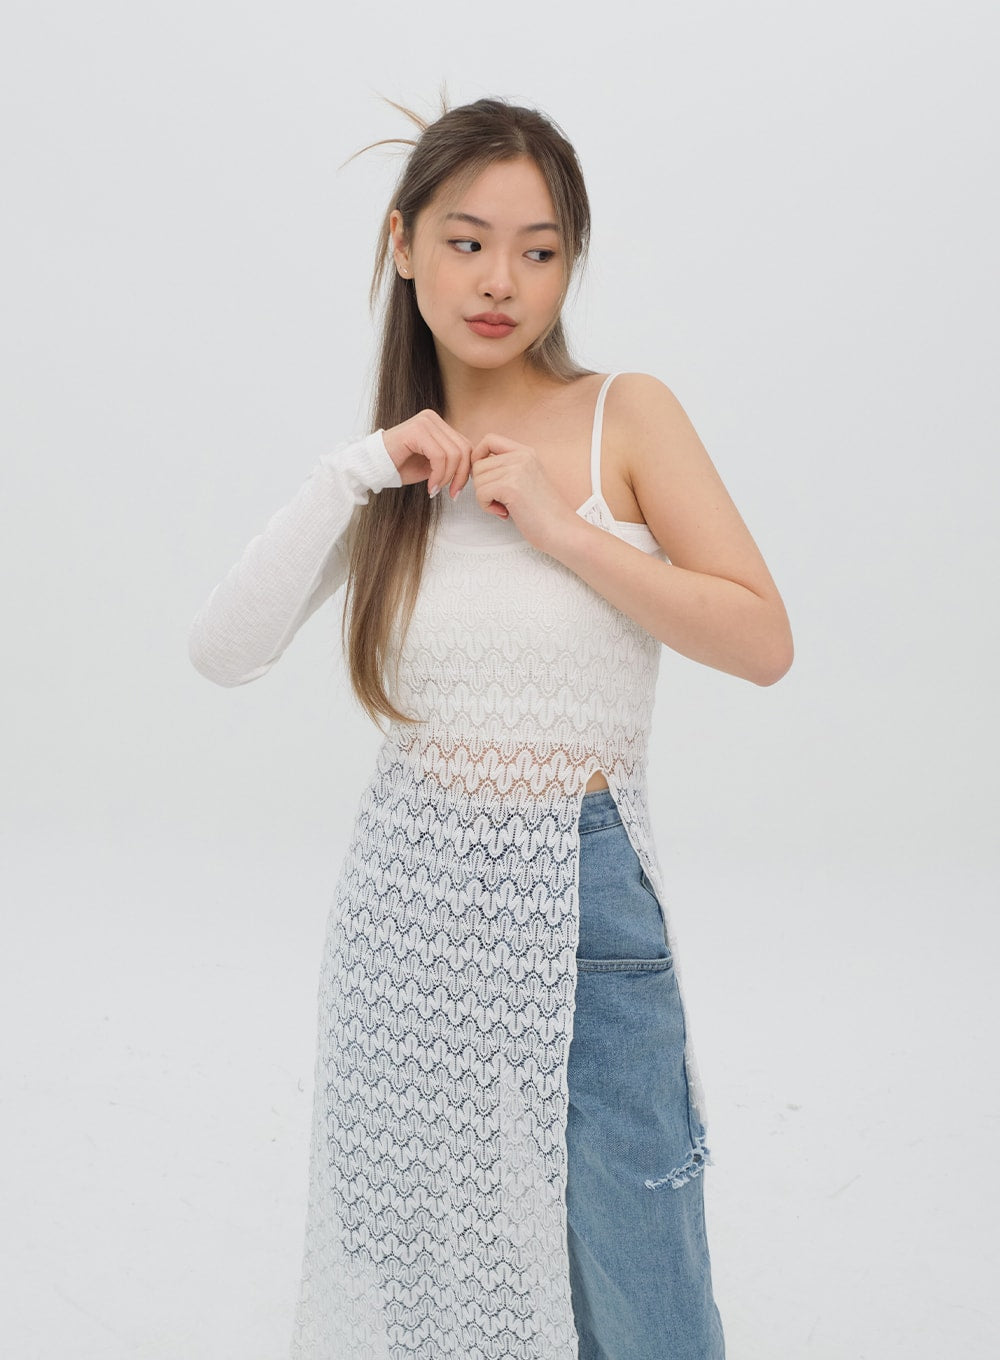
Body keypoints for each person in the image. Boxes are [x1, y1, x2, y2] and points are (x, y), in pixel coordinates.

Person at [189, 95, 792, 1360]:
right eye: (466, 242)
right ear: (404, 245)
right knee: (426, 1272)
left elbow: (759, 640)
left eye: (539, 249)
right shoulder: (392, 472)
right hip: (410, 904)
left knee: (640, 1276)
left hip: (583, 896)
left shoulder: (626, 412)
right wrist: (354, 470)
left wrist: (565, 530)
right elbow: (223, 651)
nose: (501, 281)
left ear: (571, 263)